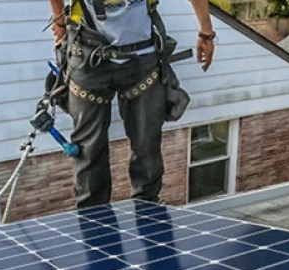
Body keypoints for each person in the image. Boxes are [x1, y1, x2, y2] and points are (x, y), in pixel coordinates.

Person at [46, 0, 216, 207]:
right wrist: (61, 22)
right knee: (89, 154)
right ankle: (94, 224)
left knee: (147, 146)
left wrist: (207, 32)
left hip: (140, 59)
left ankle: (148, 215)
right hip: (88, 55)